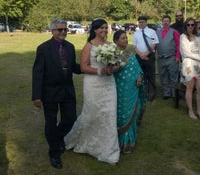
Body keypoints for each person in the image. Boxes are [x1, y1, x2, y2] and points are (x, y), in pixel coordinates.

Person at [64, 18, 120, 165]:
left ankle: (109, 150)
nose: (103, 30)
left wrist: (113, 68)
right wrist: (101, 70)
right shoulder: (89, 46)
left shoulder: (111, 45)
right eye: (100, 28)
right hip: (93, 84)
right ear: (94, 30)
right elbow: (83, 67)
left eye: (105, 28)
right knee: (91, 113)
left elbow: (117, 64)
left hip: (109, 85)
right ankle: (83, 142)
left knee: (109, 114)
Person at [32, 19, 81, 169]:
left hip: (67, 90)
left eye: (65, 30)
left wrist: (92, 65)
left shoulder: (70, 47)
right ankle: (54, 153)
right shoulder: (43, 48)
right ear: (52, 31)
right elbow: (38, 73)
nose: (63, 32)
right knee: (51, 123)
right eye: (60, 30)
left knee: (70, 119)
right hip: (50, 92)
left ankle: (57, 138)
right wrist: (37, 96)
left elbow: (74, 67)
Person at [113, 30, 146, 153]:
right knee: (122, 113)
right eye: (122, 38)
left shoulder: (129, 53)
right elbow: (113, 72)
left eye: (126, 38)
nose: (126, 40)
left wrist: (139, 76)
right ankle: (122, 141)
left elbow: (137, 68)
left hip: (133, 87)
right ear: (116, 41)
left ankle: (130, 141)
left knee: (134, 111)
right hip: (121, 88)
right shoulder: (113, 54)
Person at [133, 16, 159, 102]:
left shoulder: (152, 32)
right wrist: (141, 54)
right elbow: (134, 46)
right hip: (139, 57)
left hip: (149, 56)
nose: (141, 24)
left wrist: (146, 54)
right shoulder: (136, 33)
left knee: (150, 76)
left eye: (143, 22)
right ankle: (143, 94)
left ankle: (151, 95)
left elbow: (154, 44)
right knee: (141, 75)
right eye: (139, 22)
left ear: (146, 22)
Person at [156, 15, 181, 100]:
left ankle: (174, 93)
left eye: (167, 21)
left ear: (170, 23)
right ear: (162, 22)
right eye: (164, 21)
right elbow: (154, 45)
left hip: (172, 58)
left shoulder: (174, 32)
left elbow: (178, 45)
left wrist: (178, 56)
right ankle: (166, 93)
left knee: (173, 76)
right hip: (161, 58)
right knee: (163, 76)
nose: (165, 22)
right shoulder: (157, 32)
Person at [180, 17, 200, 120]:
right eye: (189, 25)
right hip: (188, 65)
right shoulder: (183, 37)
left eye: (193, 25)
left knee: (199, 89)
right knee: (190, 88)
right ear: (186, 26)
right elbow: (186, 53)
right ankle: (190, 111)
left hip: (198, 66)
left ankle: (199, 111)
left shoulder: (197, 37)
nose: (191, 26)